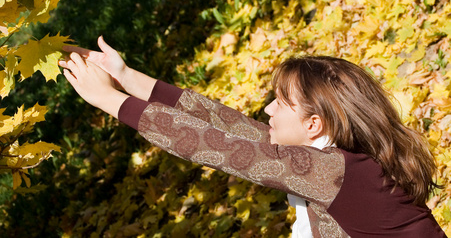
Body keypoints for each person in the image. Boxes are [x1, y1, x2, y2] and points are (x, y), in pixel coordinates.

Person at [59, 36, 446, 238]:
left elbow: (218, 149)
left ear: (314, 125)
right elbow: (228, 126)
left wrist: (109, 100)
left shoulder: (331, 170)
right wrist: (125, 77)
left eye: (280, 103)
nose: (267, 111)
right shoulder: (337, 159)